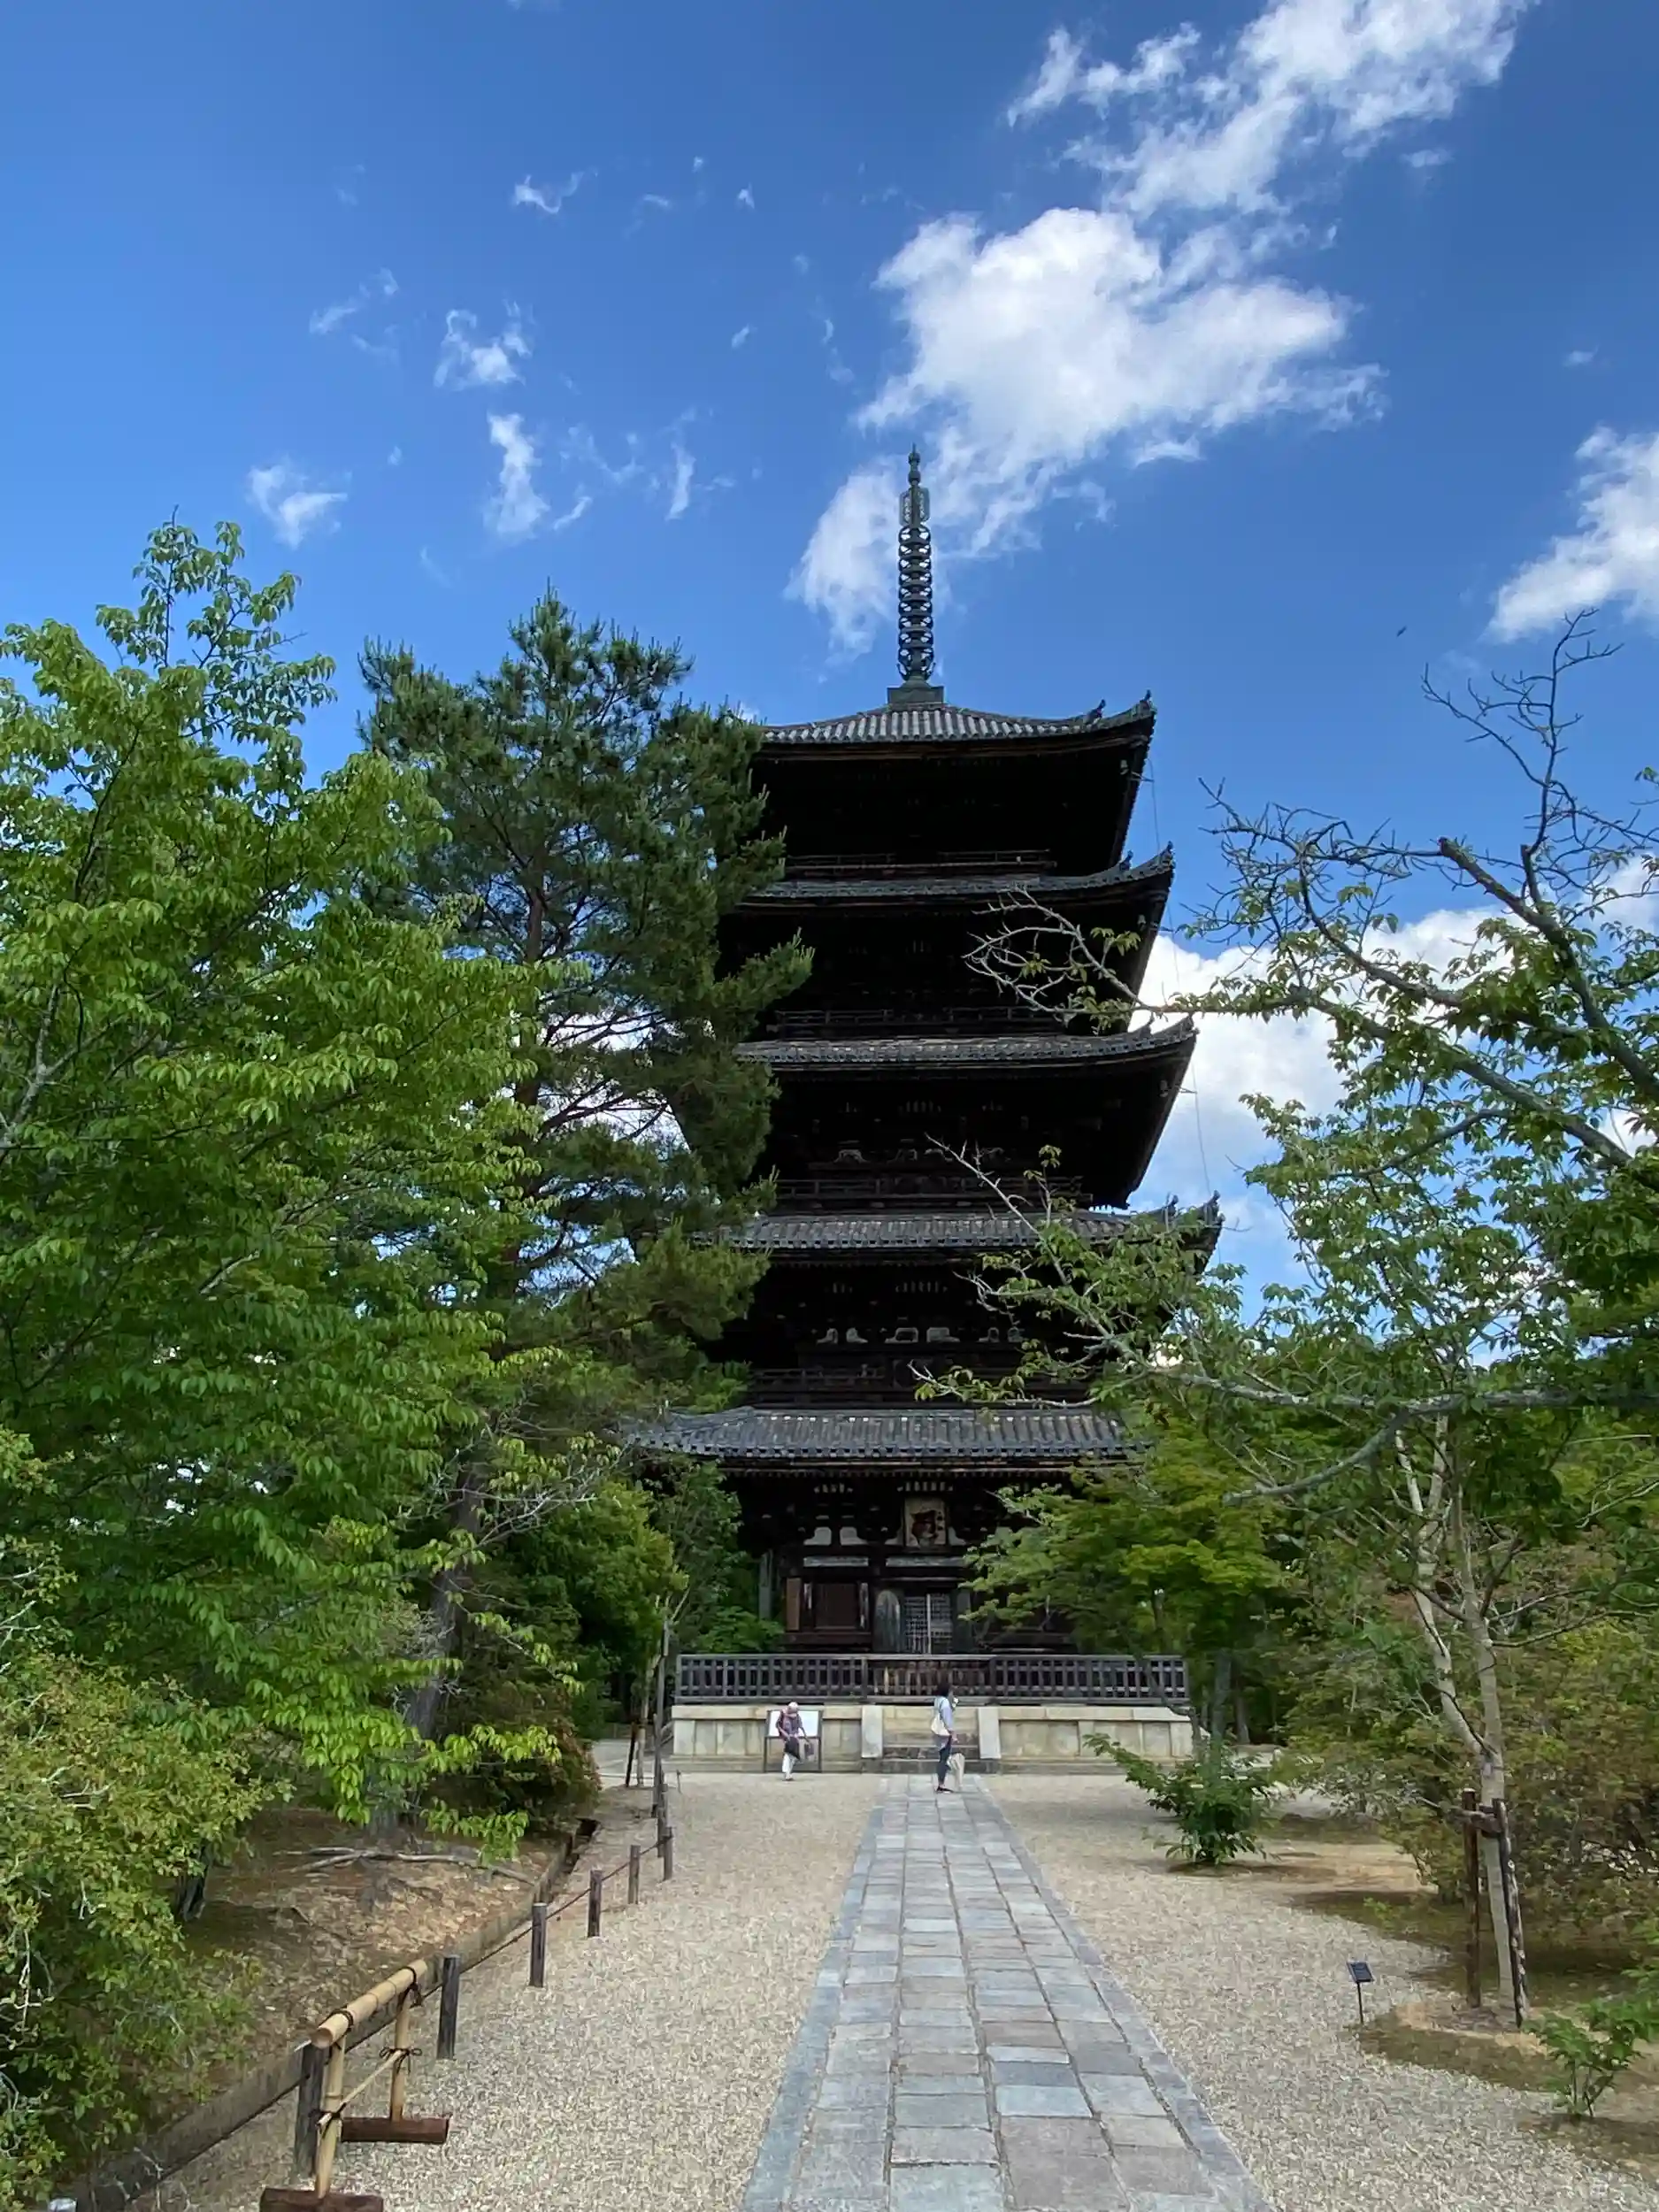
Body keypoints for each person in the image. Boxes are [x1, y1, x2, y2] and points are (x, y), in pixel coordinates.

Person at [930, 1680, 956, 1793]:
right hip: (944, 1732)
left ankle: (941, 1782)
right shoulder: (945, 1702)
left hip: (938, 1731)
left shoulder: (938, 1700)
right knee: (944, 1758)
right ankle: (941, 1783)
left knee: (942, 1756)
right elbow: (947, 1719)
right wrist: (953, 1733)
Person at [777, 1701, 807, 1779]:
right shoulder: (783, 1715)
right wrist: (785, 1735)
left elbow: (800, 1726)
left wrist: (804, 1736)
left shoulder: (797, 1716)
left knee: (793, 1755)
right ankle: (786, 1772)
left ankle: (788, 1772)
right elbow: (779, 1726)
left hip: (795, 1736)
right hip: (787, 1737)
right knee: (788, 1754)